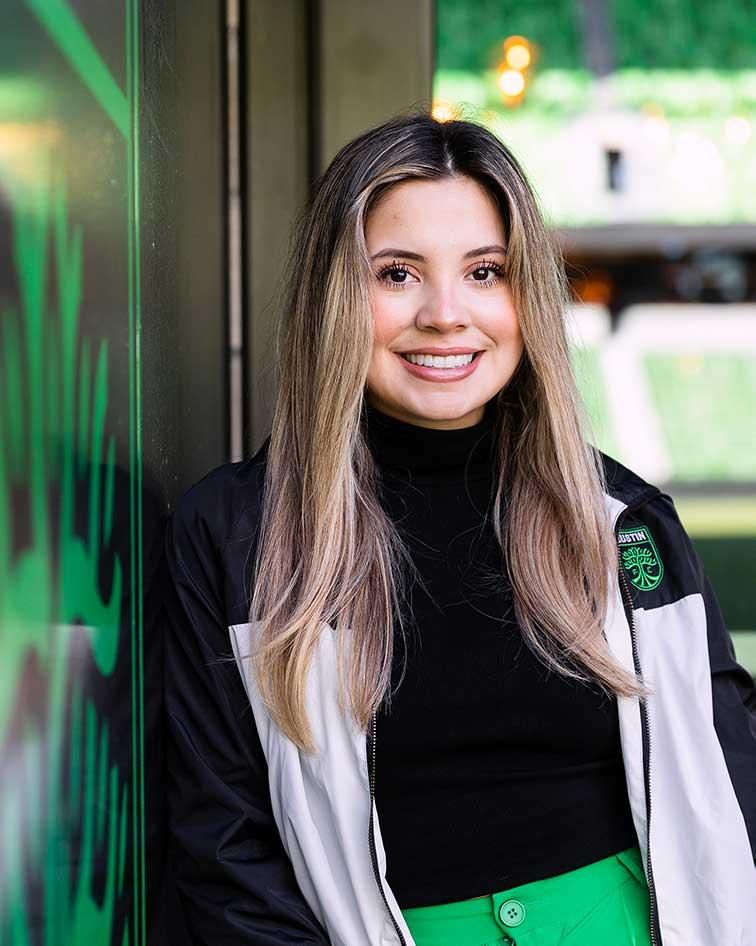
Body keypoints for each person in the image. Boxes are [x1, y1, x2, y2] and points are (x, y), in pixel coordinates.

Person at [161, 110, 756, 946]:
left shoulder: (625, 519)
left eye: (486, 271)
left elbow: (727, 775)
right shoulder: (233, 536)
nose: (447, 314)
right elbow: (223, 847)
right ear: (335, 295)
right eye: (398, 274)